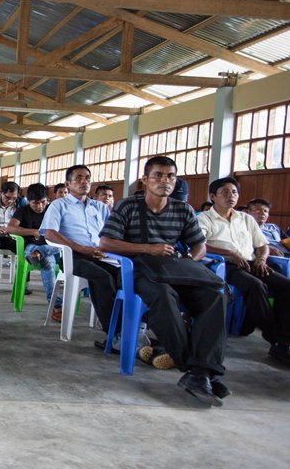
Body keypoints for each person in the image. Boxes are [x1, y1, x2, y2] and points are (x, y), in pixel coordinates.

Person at [100, 156, 229, 407]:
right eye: (158, 175)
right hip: (138, 270)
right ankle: (193, 369)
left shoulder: (183, 210)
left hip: (175, 269)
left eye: (170, 176)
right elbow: (105, 243)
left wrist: (190, 260)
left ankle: (201, 372)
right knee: (163, 295)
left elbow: (199, 245)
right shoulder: (127, 207)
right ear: (145, 180)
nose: (165, 181)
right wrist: (149, 249)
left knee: (216, 296)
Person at [198, 177, 290, 367]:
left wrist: (262, 259)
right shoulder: (204, 219)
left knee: (286, 287)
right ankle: (275, 338)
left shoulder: (246, 219)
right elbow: (201, 245)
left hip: (252, 262)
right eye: (224, 192)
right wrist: (229, 253)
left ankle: (283, 338)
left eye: (234, 192)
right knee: (255, 286)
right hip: (225, 265)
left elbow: (262, 244)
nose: (230, 196)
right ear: (213, 196)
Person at [40, 165, 117, 343]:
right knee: (103, 277)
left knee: (124, 277)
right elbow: (50, 233)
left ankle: (131, 328)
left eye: (87, 178)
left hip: (101, 255)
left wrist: (104, 249)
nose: (84, 181)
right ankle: (115, 333)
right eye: (79, 178)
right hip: (74, 257)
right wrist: (82, 249)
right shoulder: (59, 205)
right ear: (68, 183)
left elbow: (109, 234)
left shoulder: (100, 207)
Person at [6, 183, 60, 319]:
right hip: (31, 247)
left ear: (47, 199)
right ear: (28, 201)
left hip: (52, 247)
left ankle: (40, 253)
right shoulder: (22, 210)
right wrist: (34, 232)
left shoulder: (52, 210)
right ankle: (56, 306)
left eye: (43, 202)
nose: (40, 206)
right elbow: (10, 228)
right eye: (35, 203)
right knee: (48, 263)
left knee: (56, 247)